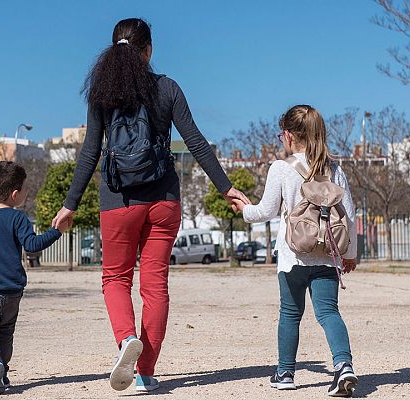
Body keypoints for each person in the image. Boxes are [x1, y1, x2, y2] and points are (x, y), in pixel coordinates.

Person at [51, 18, 250, 392]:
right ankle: (145, 373)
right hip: (164, 201)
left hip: (118, 201)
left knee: (115, 278)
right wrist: (225, 187)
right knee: (155, 284)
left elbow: (90, 152)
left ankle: (127, 339)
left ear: (113, 50)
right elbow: (195, 140)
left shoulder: (101, 93)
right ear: (150, 49)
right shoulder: (167, 88)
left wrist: (69, 204)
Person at [232, 105, 358, 397]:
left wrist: (244, 209)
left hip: (292, 257)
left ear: (288, 136)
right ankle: (343, 366)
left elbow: (265, 211)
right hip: (327, 254)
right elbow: (349, 215)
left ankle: (285, 373)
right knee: (328, 312)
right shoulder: (334, 168)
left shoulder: (281, 168)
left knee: (290, 313)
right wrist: (349, 253)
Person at [0, 161, 71, 395]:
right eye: (25, 189)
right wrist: (57, 231)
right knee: (6, 331)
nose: (26, 192)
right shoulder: (18, 218)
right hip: (11, 290)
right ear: (14, 194)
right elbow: (32, 245)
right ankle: (3, 370)